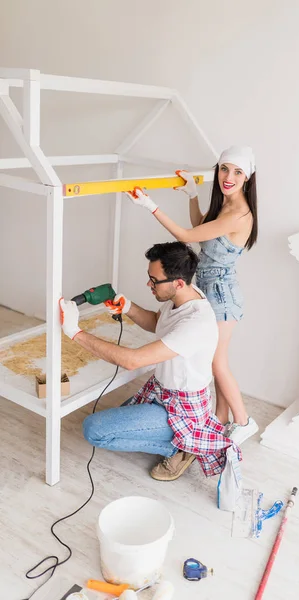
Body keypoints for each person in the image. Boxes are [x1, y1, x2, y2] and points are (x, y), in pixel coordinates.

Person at [59, 241, 240, 481]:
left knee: (95, 430)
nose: (148, 284)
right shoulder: (182, 297)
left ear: (177, 282)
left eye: (154, 280)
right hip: (162, 392)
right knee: (120, 418)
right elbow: (158, 322)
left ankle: (185, 447)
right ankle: (179, 438)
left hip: (183, 408)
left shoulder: (196, 323)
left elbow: (133, 361)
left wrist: (75, 332)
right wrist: (128, 307)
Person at [125, 146, 259, 445]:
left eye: (237, 172)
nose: (228, 177)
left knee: (217, 364)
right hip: (212, 290)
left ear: (248, 178)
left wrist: (150, 205)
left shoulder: (238, 213)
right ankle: (221, 420)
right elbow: (200, 228)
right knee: (217, 360)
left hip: (222, 296)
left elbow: (186, 236)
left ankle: (244, 421)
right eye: (225, 169)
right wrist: (192, 195)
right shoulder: (226, 205)